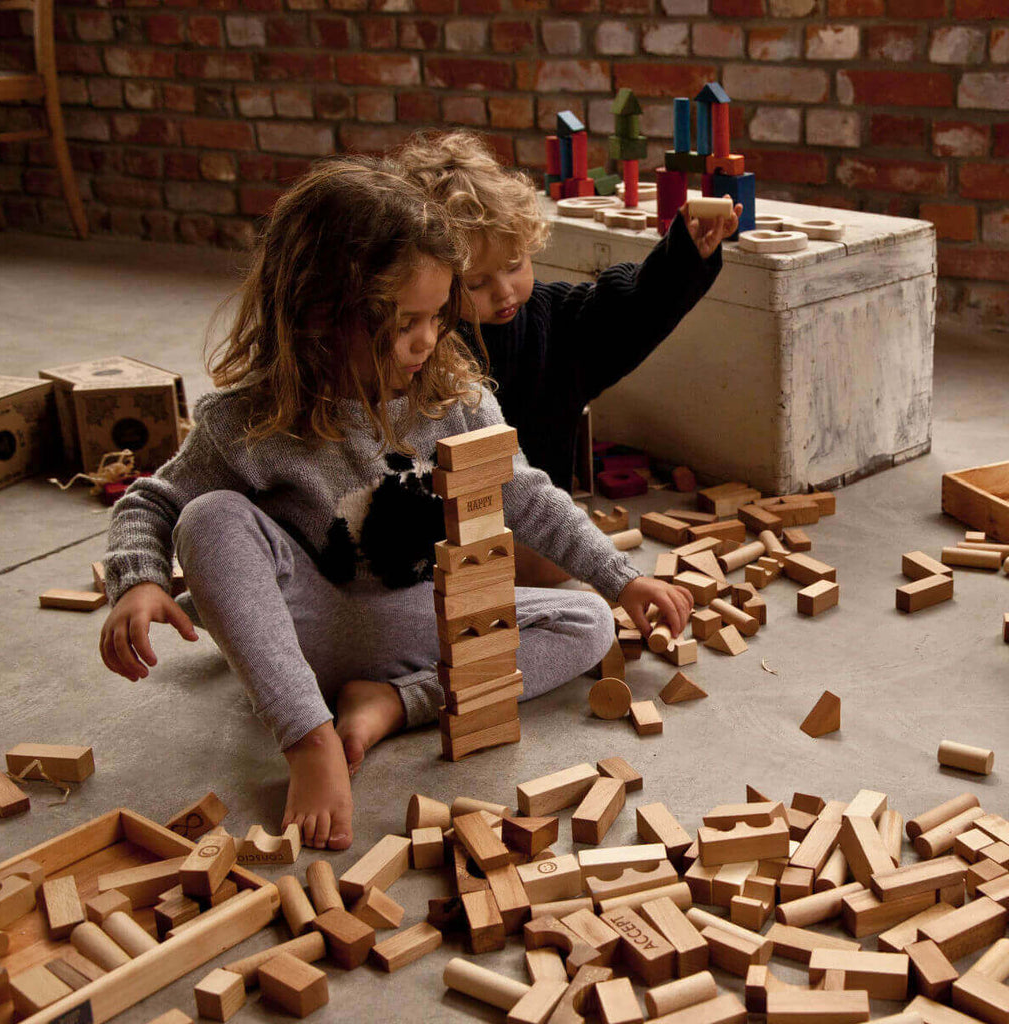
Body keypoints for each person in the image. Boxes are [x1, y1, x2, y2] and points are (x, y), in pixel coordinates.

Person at [98, 157, 694, 851]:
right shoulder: (247, 419)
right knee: (209, 519)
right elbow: (152, 502)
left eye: (438, 317)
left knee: (586, 622)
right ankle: (308, 736)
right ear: (322, 313)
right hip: (305, 627)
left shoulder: (457, 397)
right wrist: (137, 582)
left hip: (416, 622)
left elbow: (525, 494)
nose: (426, 340)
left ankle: (391, 703)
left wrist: (621, 578)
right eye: (405, 321)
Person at [391, 130, 740, 584]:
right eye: (476, 284)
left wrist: (684, 258)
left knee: (558, 567)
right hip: (440, 540)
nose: (503, 292)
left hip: (536, 527)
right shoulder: (421, 346)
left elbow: (627, 314)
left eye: (515, 264)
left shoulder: (554, 322)